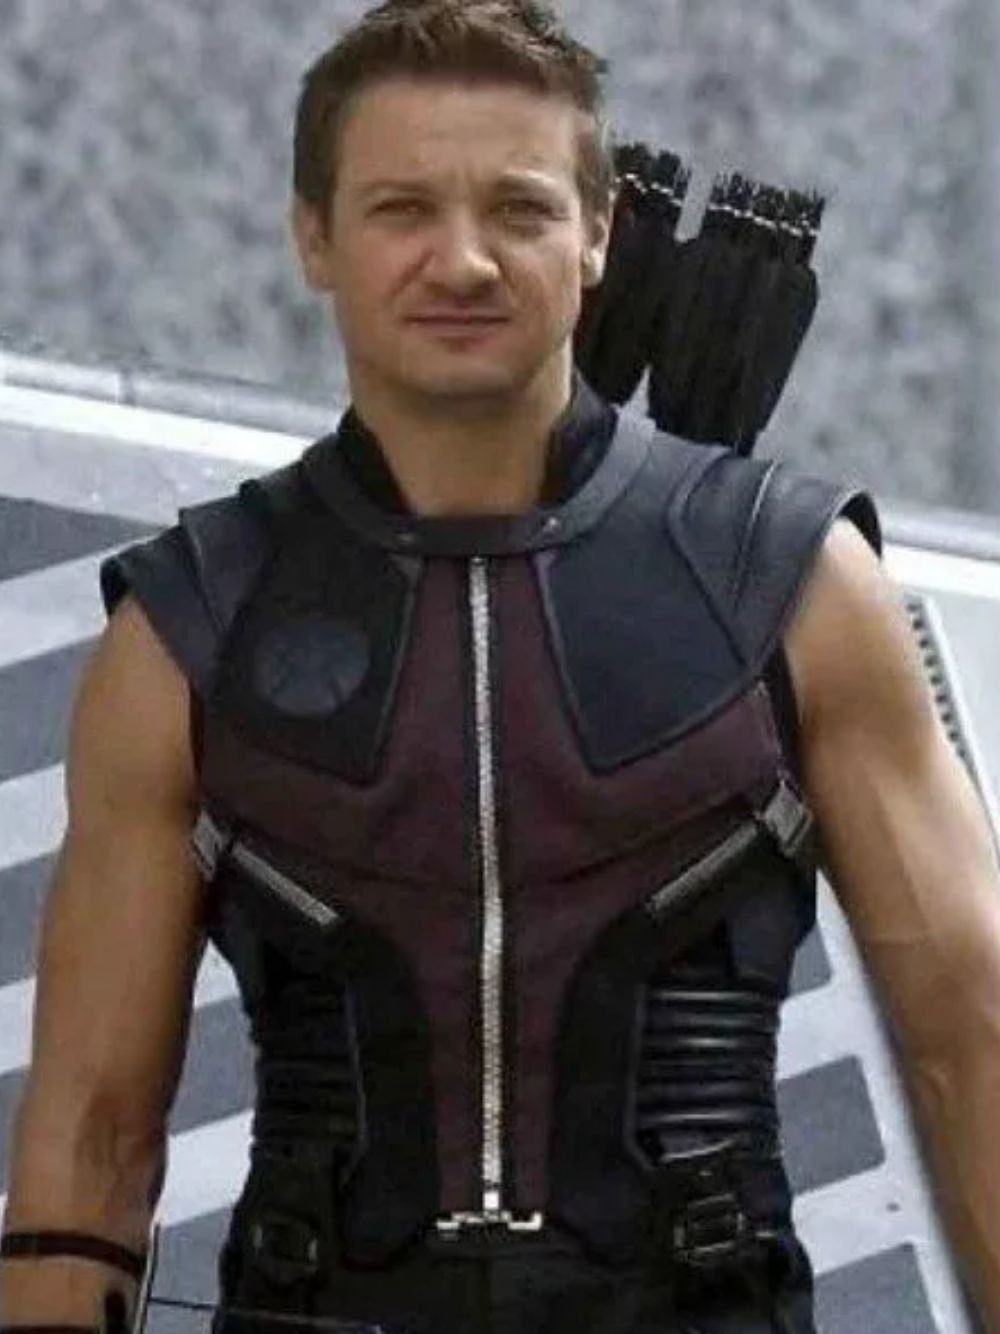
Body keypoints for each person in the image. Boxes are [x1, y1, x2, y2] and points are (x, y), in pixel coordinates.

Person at [3, 2, 1000, 1331]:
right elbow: (91, 1136)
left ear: (598, 234)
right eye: (403, 209)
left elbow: (971, 1044)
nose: (462, 260)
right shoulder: (190, 624)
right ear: (315, 238)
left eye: (519, 208)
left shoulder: (798, 582)